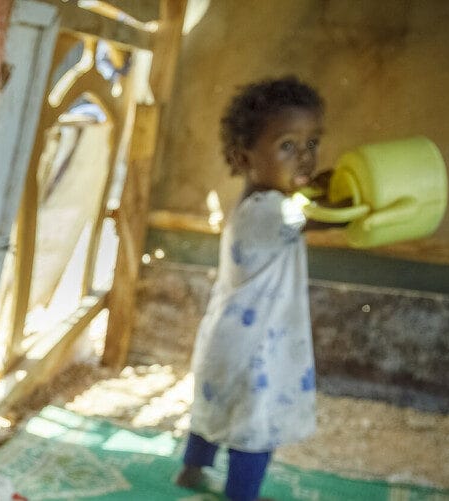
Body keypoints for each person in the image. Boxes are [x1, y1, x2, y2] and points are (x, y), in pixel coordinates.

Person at [174, 76, 335, 501]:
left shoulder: (260, 203)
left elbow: (305, 206)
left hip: (230, 339)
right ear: (243, 158)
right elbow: (326, 215)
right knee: (255, 426)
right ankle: (241, 495)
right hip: (256, 349)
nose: (305, 158)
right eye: (287, 146)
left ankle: (191, 471)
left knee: (216, 409)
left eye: (312, 143)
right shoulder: (270, 212)